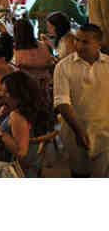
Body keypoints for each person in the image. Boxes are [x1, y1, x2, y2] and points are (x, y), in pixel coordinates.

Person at [53, 24, 109, 177]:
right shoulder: (63, 67)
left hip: (104, 132)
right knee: (79, 174)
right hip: (74, 131)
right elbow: (61, 101)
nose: (78, 45)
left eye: (85, 42)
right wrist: (78, 130)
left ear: (98, 43)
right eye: (76, 40)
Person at [0, 71, 55, 177]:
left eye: (7, 92)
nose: (3, 95)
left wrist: (2, 134)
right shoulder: (35, 110)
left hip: (13, 172)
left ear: (19, 93)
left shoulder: (18, 116)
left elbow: (21, 153)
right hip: (32, 170)